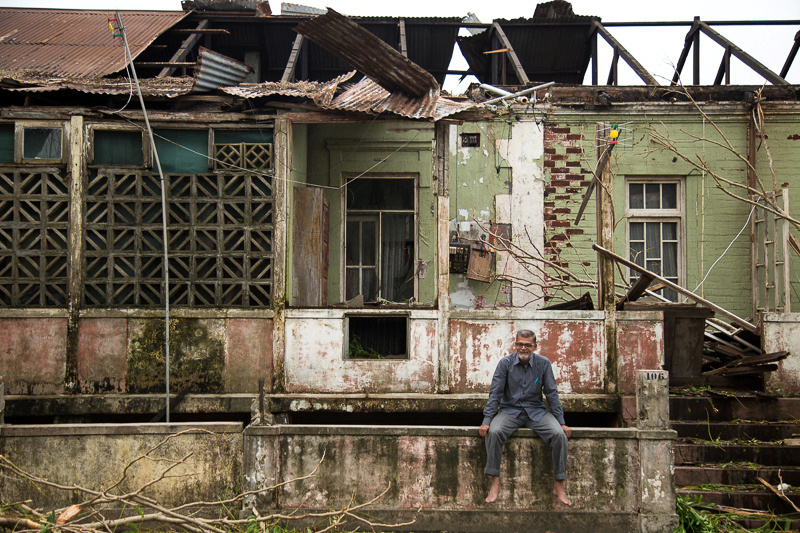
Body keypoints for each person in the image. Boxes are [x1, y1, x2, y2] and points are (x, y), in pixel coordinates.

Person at [478, 329, 572, 505]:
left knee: (559, 435)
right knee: (495, 432)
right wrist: (486, 421)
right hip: (509, 411)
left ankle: (559, 484)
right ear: (515, 344)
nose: (523, 348)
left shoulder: (543, 364)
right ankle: (495, 483)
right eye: (520, 344)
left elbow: (551, 394)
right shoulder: (505, 363)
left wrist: (562, 423)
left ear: (534, 346)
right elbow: (495, 394)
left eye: (528, 345)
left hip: (536, 412)